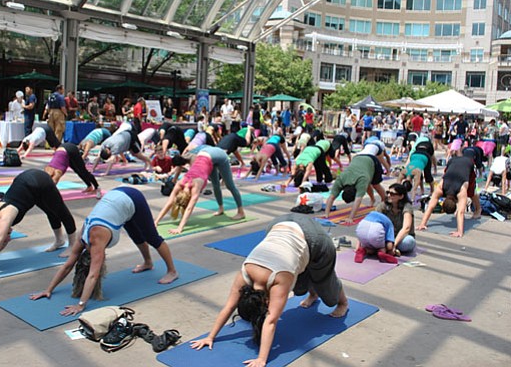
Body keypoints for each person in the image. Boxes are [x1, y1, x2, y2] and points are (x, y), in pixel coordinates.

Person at [190, 215, 348, 366]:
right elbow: (229, 306)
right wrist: (210, 337)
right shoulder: (245, 274)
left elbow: (271, 321)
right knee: (300, 286)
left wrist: (261, 359)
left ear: (266, 301)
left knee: (325, 286)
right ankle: (312, 294)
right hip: (280, 224)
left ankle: (343, 303)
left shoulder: (279, 279)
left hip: (315, 238)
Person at [30, 187, 179, 315]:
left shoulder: (97, 243)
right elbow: (67, 265)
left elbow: (93, 275)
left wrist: (81, 305)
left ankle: (172, 271)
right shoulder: (82, 239)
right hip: (116, 198)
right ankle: (148, 262)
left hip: (132, 198)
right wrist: (48, 289)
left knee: (151, 237)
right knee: (135, 234)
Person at [156, 146, 245, 234]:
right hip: (204, 154)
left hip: (219, 155)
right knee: (215, 185)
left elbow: (189, 208)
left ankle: (241, 212)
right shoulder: (180, 183)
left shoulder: (195, 186)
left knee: (230, 186)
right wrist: (156, 221)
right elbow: (170, 202)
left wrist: (180, 228)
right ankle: (221, 209)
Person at [417, 155, 481, 238]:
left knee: (471, 192)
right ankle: (478, 209)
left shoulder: (459, 191)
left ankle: (478, 210)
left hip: (468, 163)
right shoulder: (440, 187)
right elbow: (460, 212)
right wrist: (422, 224)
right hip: (453, 161)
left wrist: (460, 232)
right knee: (470, 191)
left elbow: (460, 212)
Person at [322, 153, 387, 224]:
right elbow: (331, 197)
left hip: (372, 160)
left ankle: (385, 201)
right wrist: (326, 213)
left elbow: (358, 200)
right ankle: (373, 199)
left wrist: (351, 218)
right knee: (366, 182)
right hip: (357, 158)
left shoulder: (362, 180)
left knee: (375, 185)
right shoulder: (340, 180)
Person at [376, 183, 416, 254]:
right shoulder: (383, 205)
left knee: (409, 242)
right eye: (388, 192)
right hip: (387, 237)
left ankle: (387, 248)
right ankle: (387, 248)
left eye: (392, 194)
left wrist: (394, 244)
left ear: (401, 196)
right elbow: (373, 220)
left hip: (401, 238)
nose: (388, 195)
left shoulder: (407, 207)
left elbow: (406, 228)